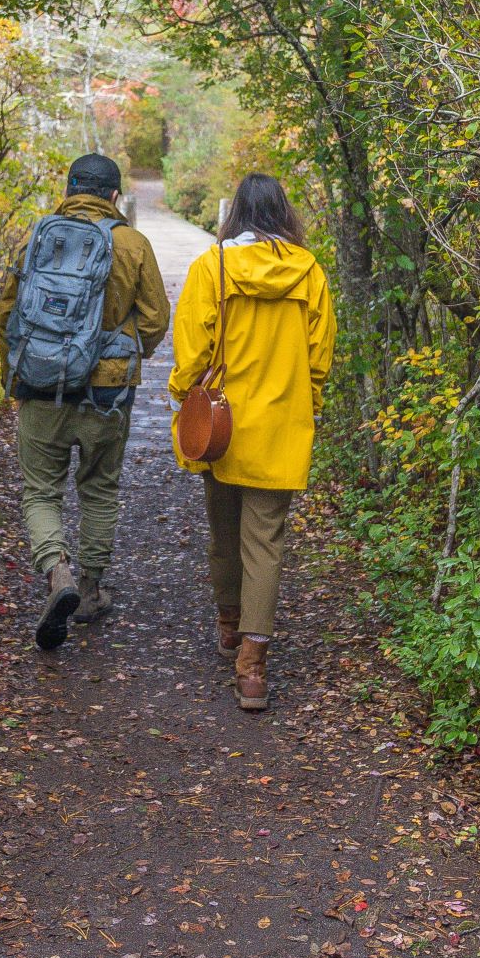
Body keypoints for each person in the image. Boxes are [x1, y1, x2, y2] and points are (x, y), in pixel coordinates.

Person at [169, 173, 334, 711]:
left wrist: (183, 395)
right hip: (283, 425)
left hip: (224, 424)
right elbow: (319, 357)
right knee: (265, 541)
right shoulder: (309, 273)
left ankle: (229, 624)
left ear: (235, 212)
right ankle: (253, 667)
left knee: (223, 531)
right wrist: (307, 403)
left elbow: (193, 353)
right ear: (284, 213)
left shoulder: (212, 266)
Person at [0, 153, 171, 650]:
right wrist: (124, 357)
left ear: (69, 189)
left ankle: (57, 572)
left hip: (40, 385)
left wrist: (16, 377)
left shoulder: (38, 236)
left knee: (41, 492)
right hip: (108, 392)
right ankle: (91, 590)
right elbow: (155, 319)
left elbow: (7, 312)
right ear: (115, 196)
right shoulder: (133, 243)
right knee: (99, 488)